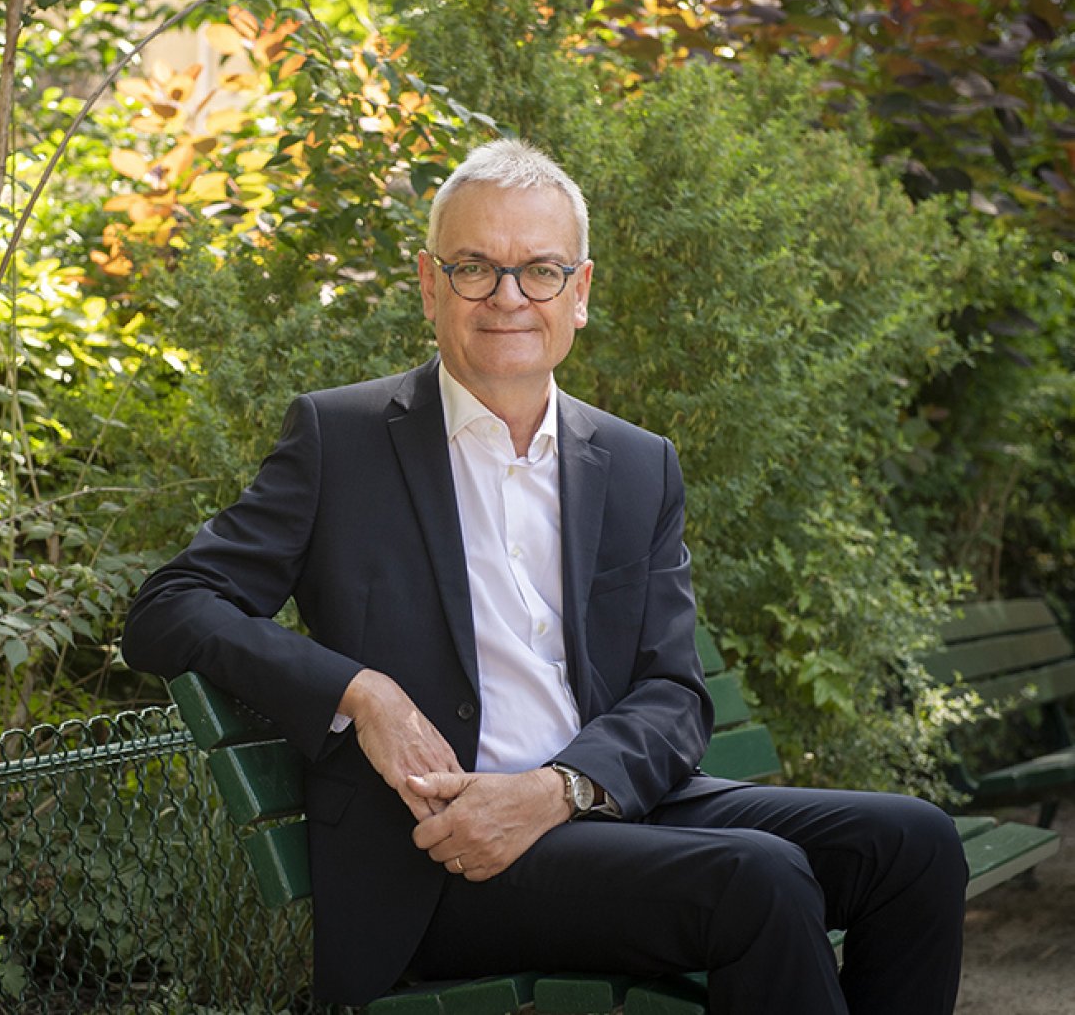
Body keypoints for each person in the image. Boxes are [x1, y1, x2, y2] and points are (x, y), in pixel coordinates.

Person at [122, 139, 967, 1013]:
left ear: (582, 291)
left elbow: (672, 695)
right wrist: (363, 693)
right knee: (758, 879)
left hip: (600, 809)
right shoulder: (341, 442)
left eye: (540, 271)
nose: (508, 297)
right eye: (475, 268)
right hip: (443, 854)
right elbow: (171, 608)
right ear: (429, 283)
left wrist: (557, 791)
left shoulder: (639, 464)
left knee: (914, 844)